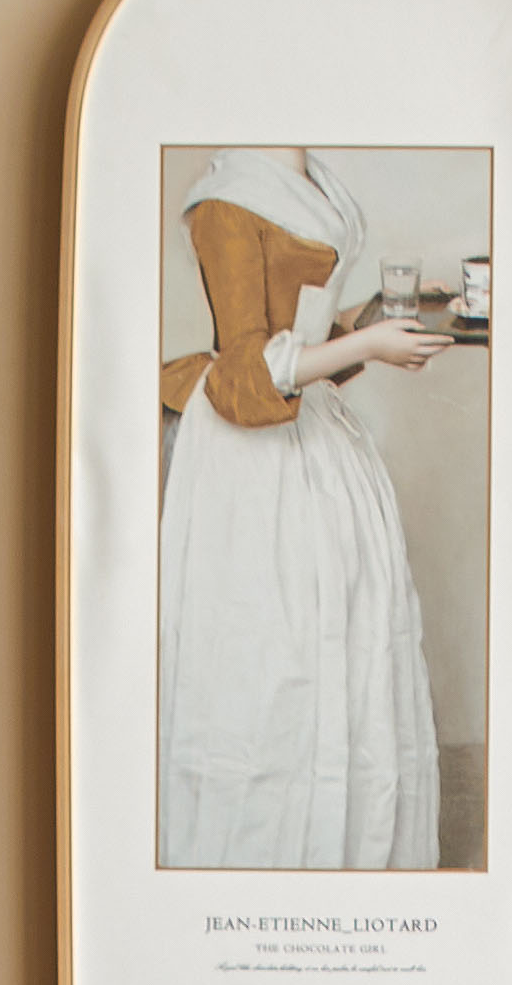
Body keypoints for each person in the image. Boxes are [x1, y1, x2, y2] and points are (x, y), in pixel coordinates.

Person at [158, 146, 456, 872]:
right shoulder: (229, 198)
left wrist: (386, 317)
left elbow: (313, 348)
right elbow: (246, 373)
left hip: (322, 449)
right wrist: (370, 343)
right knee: (272, 662)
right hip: (254, 466)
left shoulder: (311, 178)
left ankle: (342, 851)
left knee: (347, 653)